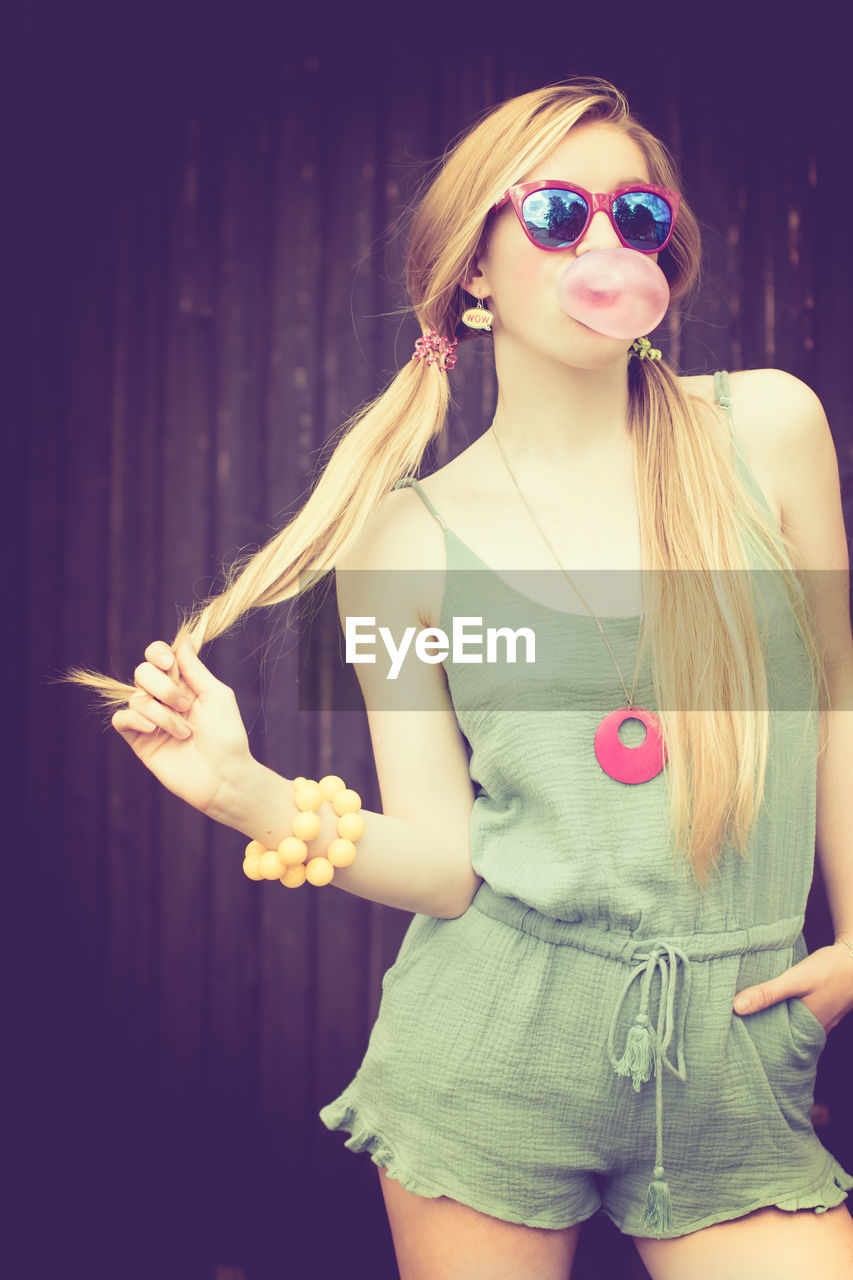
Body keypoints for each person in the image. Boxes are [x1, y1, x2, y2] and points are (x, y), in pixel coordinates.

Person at [67, 77, 853, 1279]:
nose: (602, 239)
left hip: (737, 1049)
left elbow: (838, 704)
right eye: (554, 214)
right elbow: (443, 861)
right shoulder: (402, 543)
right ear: (474, 271)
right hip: (494, 1046)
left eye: (636, 216)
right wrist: (247, 793)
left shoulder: (770, 432)